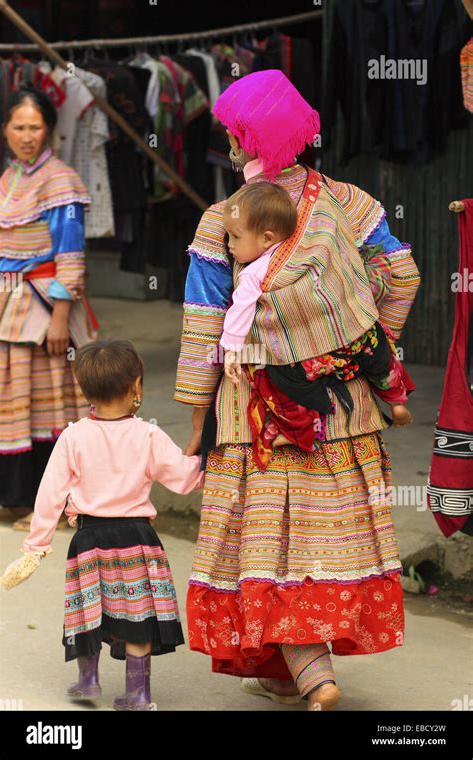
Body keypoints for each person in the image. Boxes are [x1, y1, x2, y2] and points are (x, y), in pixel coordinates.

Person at [175, 70, 421, 710]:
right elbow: (403, 274)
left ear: (248, 139)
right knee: (323, 539)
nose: (229, 143)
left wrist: (197, 417)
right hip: (342, 409)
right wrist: (355, 347)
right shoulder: (352, 204)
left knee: (270, 541)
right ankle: (301, 671)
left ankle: (307, 674)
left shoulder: (224, 219)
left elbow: (205, 324)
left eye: (233, 133)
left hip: (256, 410)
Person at [13, 340, 205, 711]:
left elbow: (49, 494)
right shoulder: (148, 435)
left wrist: (36, 546)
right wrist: (210, 456)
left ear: (83, 389)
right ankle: (139, 694)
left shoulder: (73, 437)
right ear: (137, 386)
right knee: (137, 615)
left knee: (88, 610)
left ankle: (88, 682)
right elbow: (183, 479)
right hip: (137, 538)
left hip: (90, 537)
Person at [220, 181, 414, 472]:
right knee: (380, 352)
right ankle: (396, 399)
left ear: (267, 238)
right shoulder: (313, 243)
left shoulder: (252, 274)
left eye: (235, 237)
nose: (230, 245)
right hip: (355, 337)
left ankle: (302, 431)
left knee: (277, 376)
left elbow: (240, 310)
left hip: (311, 359)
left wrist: (232, 349)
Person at [0, 86, 96, 531]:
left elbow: (71, 253)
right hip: (10, 303)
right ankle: (19, 499)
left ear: (50, 131)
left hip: (46, 304)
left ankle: (54, 504)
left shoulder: (61, 181)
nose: (26, 135)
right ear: (5, 130)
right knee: (16, 401)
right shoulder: (9, 178)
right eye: (18, 126)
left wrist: (60, 315)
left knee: (50, 403)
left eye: (35, 127)